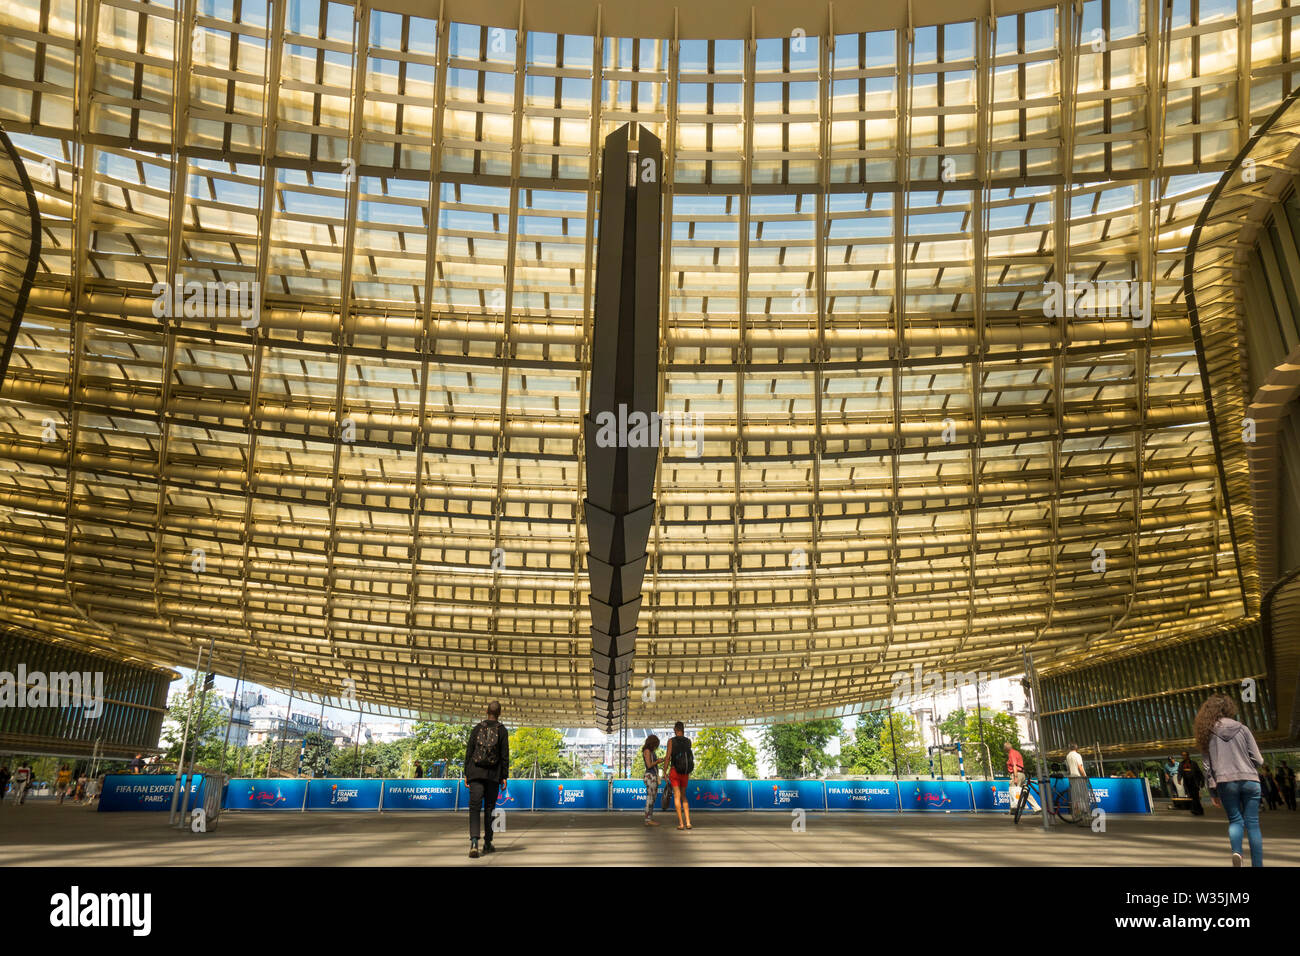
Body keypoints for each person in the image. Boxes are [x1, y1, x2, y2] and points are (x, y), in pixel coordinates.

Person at [1196, 694, 1263, 867]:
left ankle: (1237, 853)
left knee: (1235, 821)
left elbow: (1207, 767)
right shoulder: (1243, 728)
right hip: (1250, 780)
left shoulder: (1207, 734)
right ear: (1229, 708)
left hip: (1226, 782)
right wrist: (1248, 765)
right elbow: (1259, 760)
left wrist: (1212, 790)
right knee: (1253, 824)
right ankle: (1258, 865)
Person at [463, 700, 509, 859]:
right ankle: (488, 843)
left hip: (475, 773)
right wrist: (504, 776)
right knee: (489, 809)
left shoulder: (477, 728)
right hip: (493, 775)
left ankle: (474, 842)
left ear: (486, 711)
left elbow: (469, 752)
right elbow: (504, 756)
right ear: (500, 713)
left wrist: (466, 774)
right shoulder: (502, 731)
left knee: (474, 808)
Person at [664, 722, 693, 831]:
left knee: (677, 796)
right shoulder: (688, 741)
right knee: (684, 796)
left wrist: (664, 771)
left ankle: (681, 823)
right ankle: (688, 822)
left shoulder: (671, 741)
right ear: (683, 729)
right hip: (685, 772)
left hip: (675, 771)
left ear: (675, 729)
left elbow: (668, 757)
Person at [1004, 741, 1040, 813]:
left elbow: (1014, 765)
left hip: (1016, 774)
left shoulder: (1011, 754)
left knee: (1013, 790)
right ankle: (1037, 807)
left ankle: (1014, 810)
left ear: (1006, 748)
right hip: (1022, 774)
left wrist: (1016, 777)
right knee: (1025, 791)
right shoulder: (1017, 752)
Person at [640, 734, 662, 826]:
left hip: (652, 776)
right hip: (650, 776)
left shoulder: (649, 751)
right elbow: (649, 765)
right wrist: (657, 761)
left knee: (652, 798)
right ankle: (648, 819)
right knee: (650, 798)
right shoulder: (647, 751)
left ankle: (649, 819)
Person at [1065, 742, 1089, 818]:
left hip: (1071, 777)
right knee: (1081, 794)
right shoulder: (1077, 755)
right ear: (1076, 748)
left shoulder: (1068, 756)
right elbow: (1080, 766)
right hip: (1078, 777)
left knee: (1075, 795)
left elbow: (1068, 768)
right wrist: (1085, 776)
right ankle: (1083, 810)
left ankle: (1075, 812)